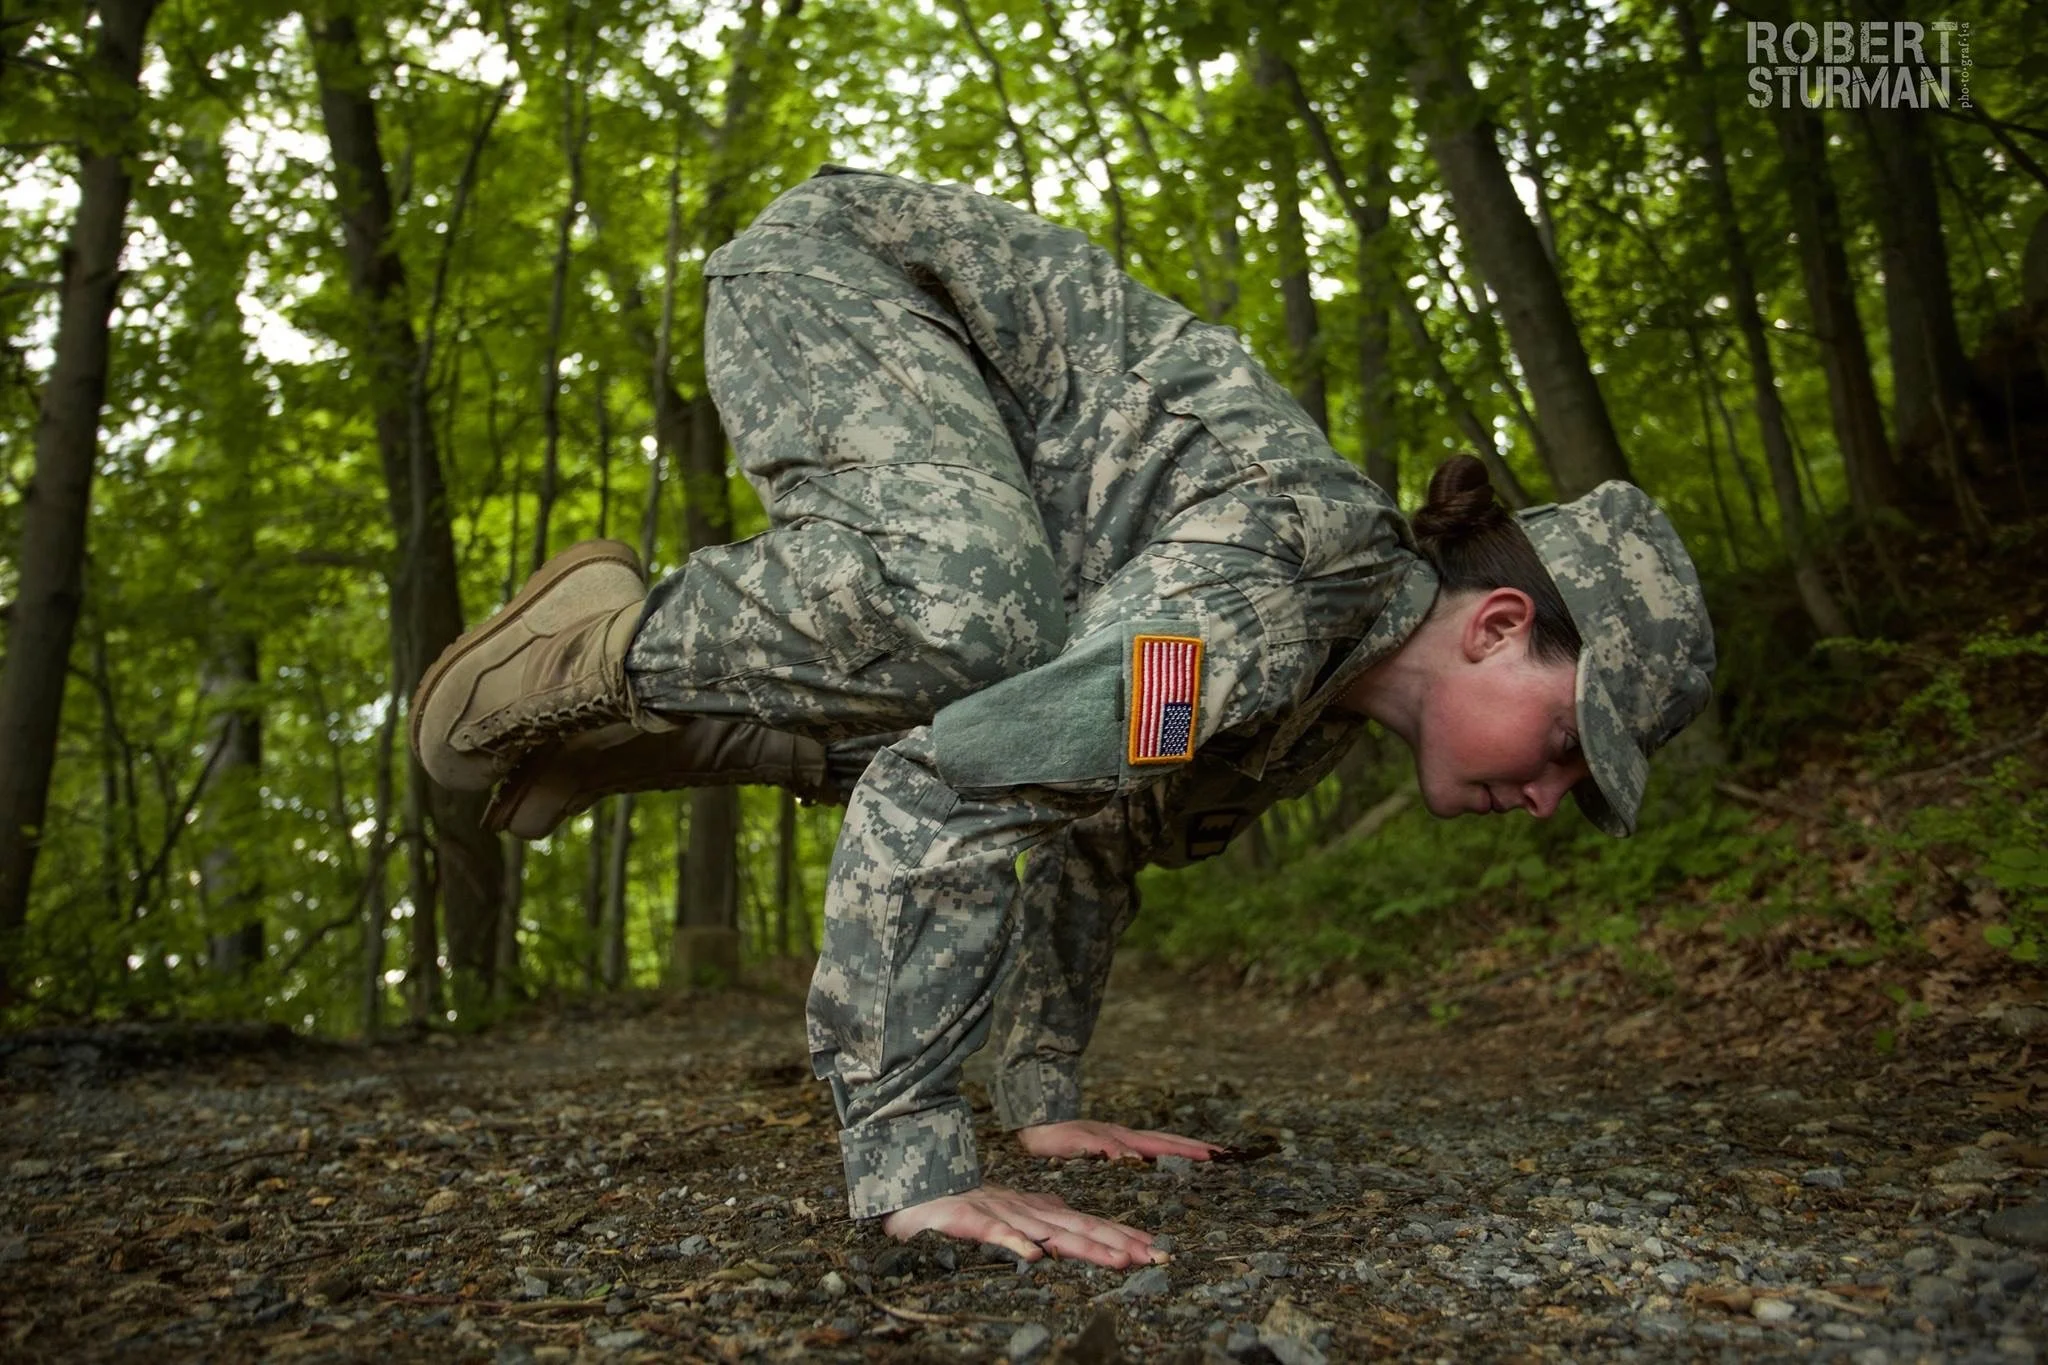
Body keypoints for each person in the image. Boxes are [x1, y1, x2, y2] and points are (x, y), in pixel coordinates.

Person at [408, 166, 1715, 1268]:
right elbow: (958, 789)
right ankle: (594, 660)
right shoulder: (1280, 596)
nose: (1548, 799)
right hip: (851, 277)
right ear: (1496, 628)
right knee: (971, 624)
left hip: (953, 433)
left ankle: (644, 733)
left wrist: (1040, 1104)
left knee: (1017, 700)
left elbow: (1088, 829)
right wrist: (915, 1158)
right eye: (1563, 747)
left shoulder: (1303, 722)